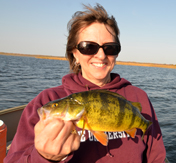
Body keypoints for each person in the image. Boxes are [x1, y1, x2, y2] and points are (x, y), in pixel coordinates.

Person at [4, 3, 166, 163]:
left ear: (117, 53)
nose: (101, 55)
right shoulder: (45, 100)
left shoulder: (138, 97)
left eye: (110, 48)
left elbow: (156, 157)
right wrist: (45, 158)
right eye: (89, 47)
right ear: (74, 53)